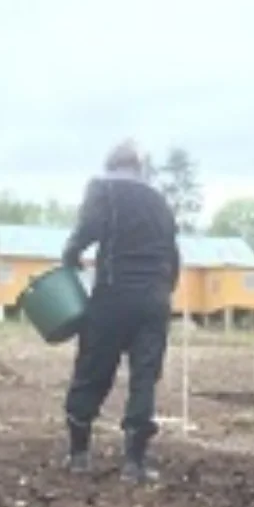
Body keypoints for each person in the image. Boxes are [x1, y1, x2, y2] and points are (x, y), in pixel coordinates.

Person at [61, 140, 180, 483]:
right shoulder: (159, 200)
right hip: (154, 299)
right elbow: (172, 254)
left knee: (93, 370)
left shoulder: (103, 189)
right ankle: (134, 463)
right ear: (139, 167)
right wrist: (163, 291)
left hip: (113, 294)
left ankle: (79, 454)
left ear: (111, 164)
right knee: (144, 378)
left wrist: (70, 258)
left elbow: (86, 231)